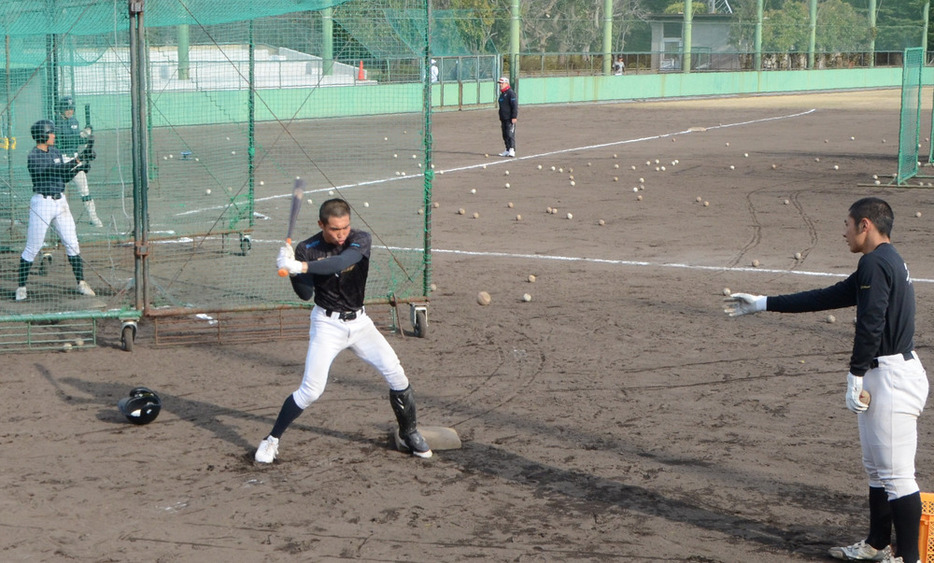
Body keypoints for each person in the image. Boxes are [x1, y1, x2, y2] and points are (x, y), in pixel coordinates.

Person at [724, 197, 927, 563]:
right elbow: (828, 295)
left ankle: (909, 559)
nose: (843, 231)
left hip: (892, 378)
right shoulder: (882, 262)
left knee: (897, 476)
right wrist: (764, 303)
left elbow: (872, 322)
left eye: (847, 224)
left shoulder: (876, 263)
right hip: (889, 374)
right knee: (878, 471)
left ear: (865, 225)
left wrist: (855, 373)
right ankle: (877, 544)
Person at [256, 198, 432, 463]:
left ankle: (410, 433)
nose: (341, 234)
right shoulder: (307, 248)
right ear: (321, 225)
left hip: (361, 324)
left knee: (396, 374)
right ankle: (271, 440)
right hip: (327, 325)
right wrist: (291, 269)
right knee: (311, 390)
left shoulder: (359, 239)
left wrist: (301, 267)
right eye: (335, 229)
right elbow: (305, 294)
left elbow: (341, 262)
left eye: (345, 227)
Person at [16, 119, 96, 301]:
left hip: (61, 203)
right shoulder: (33, 156)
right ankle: (21, 287)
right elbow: (52, 171)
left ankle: (81, 282)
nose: (54, 135)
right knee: (33, 247)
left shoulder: (55, 151)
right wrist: (77, 159)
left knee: (72, 243)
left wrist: (80, 167)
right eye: (51, 133)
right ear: (43, 135)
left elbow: (64, 176)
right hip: (42, 203)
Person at [54, 96, 102, 227]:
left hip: (75, 158)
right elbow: (67, 140)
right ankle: (57, 219)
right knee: (58, 192)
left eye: (71, 108)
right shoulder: (57, 123)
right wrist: (83, 135)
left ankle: (94, 217)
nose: (69, 111)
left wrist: (87, 136)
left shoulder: (74, 121)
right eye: (66, 109)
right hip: (62, 160)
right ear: (61, 109)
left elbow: (78, 140)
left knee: (84, 190)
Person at [497, 76, 517, 158]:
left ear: (506, 83)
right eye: (500, 83)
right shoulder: (502, 95)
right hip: (503, 118)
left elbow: (514, 106)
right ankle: (507, 149)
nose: (500, 85)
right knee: (504, 134)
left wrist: (514, 116)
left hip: (510, 118)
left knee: (510, 134)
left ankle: (512, 149)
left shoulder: (511, 93)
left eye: (502, 83)